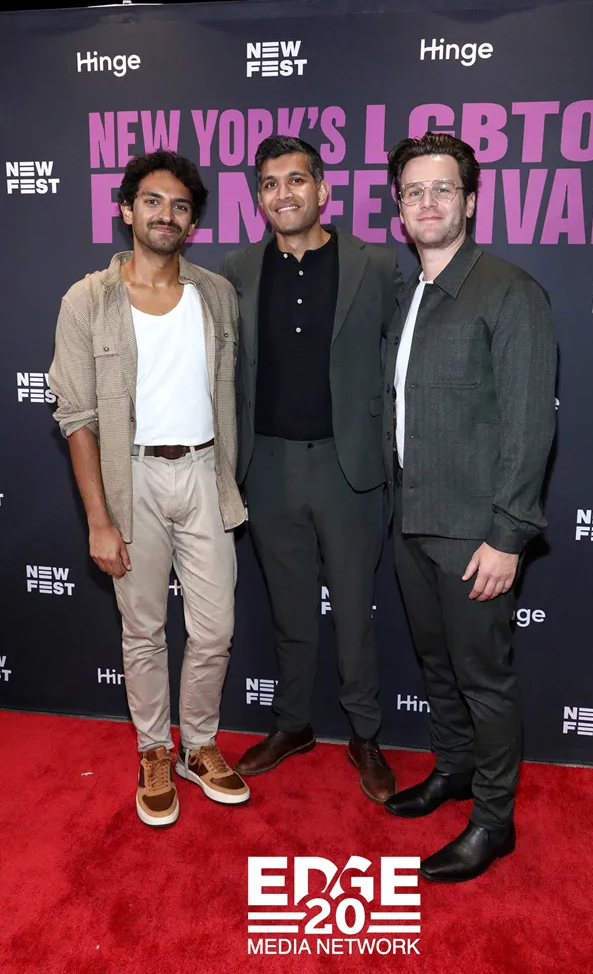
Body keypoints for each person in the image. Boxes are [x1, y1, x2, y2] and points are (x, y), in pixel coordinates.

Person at [49, 150, 250, 827]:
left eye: (181, 206)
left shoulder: (216, 295)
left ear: (193, 223)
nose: (167, 215)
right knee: (143, 630)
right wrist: (98, 519)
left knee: (215, 628)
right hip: (129, 477)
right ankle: (154, 750)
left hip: (205, 473)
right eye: (153, 202)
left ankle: (199, 745)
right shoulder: (88, 300)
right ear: (126, 210)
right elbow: (77, 417)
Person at [382, 132, 557, 881]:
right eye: (414, 191)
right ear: (399, 208)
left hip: (474, 534)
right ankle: (453, 769)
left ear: (471, 201)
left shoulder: (510, 293)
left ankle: (494, 819)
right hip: (410, 521)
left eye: (443, 189)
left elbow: (529, 423)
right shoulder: (407, 295)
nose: (428, 202)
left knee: (484, 679)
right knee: (436, 664)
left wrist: (508, 535)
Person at [222, 136, 400, 802]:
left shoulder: (376, 264)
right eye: (270, 184)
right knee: (289, 610)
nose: (284, 193)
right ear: (259, 198)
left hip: (348, 467)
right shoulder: (237, 269)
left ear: (323, 190)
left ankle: (365, 735)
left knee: (354, 612)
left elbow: (405, 358)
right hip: (267, 467)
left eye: (296, 180)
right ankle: (292, 724)